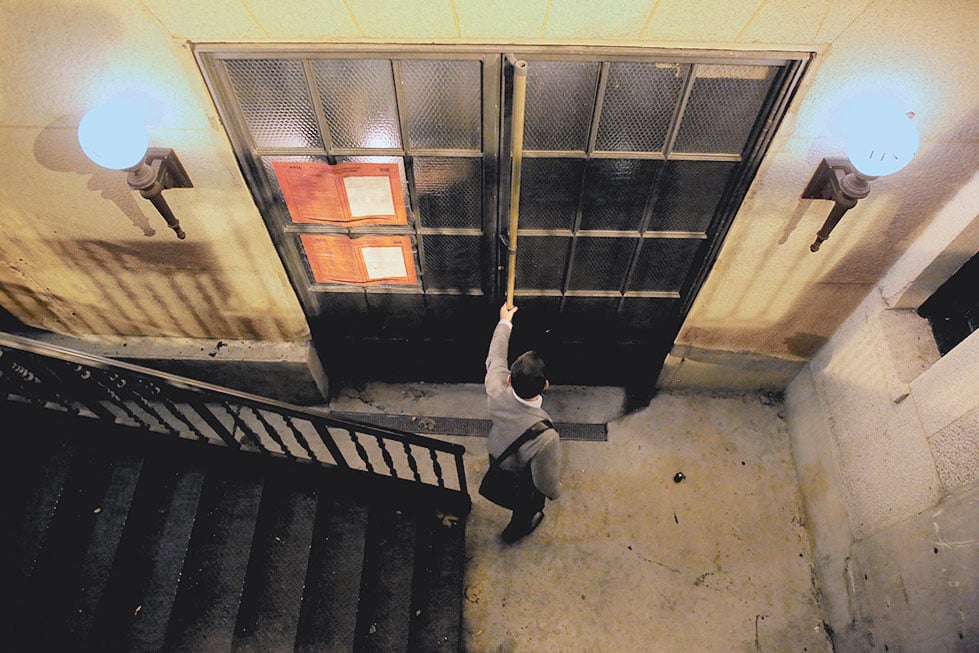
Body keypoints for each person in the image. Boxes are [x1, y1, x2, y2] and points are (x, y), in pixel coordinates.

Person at [484, 303, 562, 543]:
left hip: (497, 453)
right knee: (525, 506)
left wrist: (504, 322)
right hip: (519, 475)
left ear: (509, 378)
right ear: (545, 385)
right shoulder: (546, 436)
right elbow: (543, 480)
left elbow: (495, 356)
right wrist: (555, 492)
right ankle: (516, 530)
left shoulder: (496, 389)